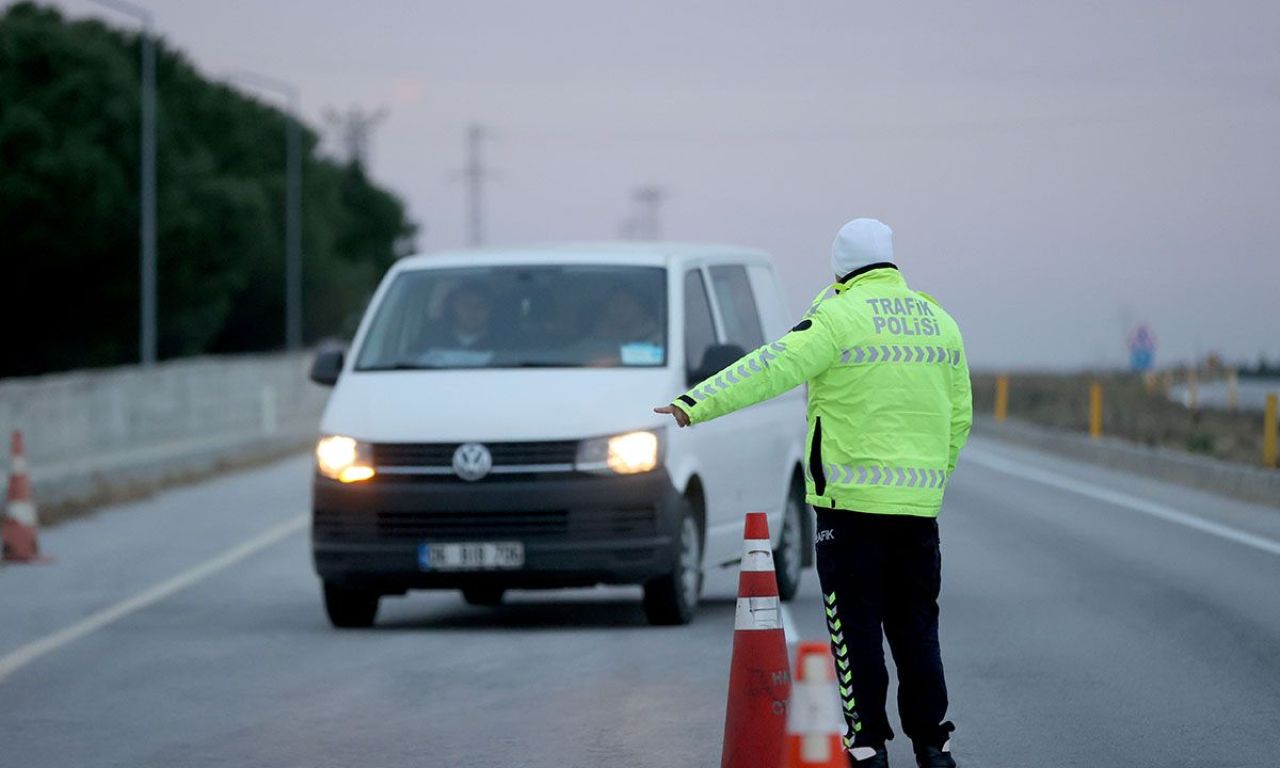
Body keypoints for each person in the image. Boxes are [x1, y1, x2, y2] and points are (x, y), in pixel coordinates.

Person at [654, 218, 971, 768]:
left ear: (841, 267)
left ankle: (869, 745)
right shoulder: (940, 322)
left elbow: (770, 365)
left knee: (855, 634)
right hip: (918, 513)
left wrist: (694, 403)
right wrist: (931, 479)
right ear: (891, 260)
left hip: (849, 512)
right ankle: (933, 745)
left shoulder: (837, 317)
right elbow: (960, 415)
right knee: (918, 630)